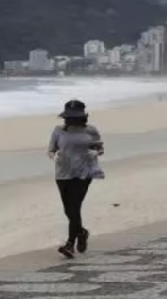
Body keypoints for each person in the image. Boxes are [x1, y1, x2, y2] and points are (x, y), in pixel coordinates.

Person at [47, 99, 104, 259]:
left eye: (75, 117)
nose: (72, 120)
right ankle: (82, 232)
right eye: (69, 117)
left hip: (83, 172)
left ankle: (70, 244)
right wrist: (54, 156)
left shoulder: (91, 130)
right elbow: (51, 150)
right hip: (63, 173)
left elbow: (99, 148)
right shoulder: (58, 131)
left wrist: (95, 153)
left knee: (75, 207)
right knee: (68, 209)